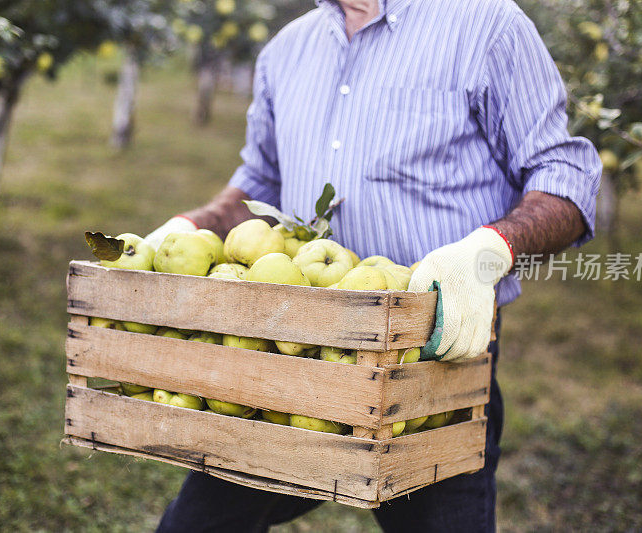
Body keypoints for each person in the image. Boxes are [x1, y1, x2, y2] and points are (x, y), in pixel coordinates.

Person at [147, 0, 601, 531]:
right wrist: (187, 225)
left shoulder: (486, 25)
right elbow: (261, 181)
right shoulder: (287, 50)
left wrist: (487, 251)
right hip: (290, 354)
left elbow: (565, 174)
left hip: (431, 360)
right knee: (198, 524)